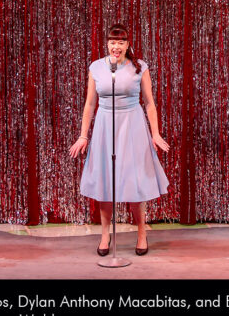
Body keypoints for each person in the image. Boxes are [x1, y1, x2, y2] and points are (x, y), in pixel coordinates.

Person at [69, 24, 169, 256]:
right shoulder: (96, 67)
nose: (116, 46)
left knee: (135, 181)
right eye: (112, 42)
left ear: (127, 45)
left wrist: (155, 134)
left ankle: (141, 233)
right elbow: (90, 104)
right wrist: (83, 135)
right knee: (105, 182)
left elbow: (149, 103)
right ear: (107, 44)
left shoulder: (139, 67)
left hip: (132, 125)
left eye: (121, 42)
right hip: (106, 126)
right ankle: (105, 235)